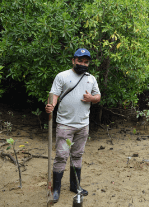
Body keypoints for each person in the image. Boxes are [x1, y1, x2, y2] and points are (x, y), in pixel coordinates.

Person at [45, 48, 101, 203]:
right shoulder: (62, 76)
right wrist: (51, 106)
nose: (83, 64)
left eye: (86, 61)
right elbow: (54, 95)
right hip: (65, 124)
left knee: (77, 155)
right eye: (80, 61)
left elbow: (98, 96)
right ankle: (55, 189)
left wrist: (92, 98)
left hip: (83, 125)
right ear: (73, 60)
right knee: (61, 156)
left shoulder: (91, 79)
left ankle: (75, 186)